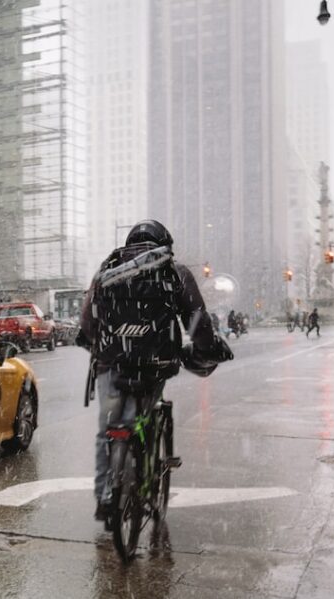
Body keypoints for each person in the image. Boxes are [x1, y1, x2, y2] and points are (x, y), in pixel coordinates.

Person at [77, 219, 232, 526]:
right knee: (143, 415)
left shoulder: (108, 269)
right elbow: (197, 321)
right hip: (154, 363)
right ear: (164, 243)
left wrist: (95, 342)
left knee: (110, 427)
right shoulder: (174, 271)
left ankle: (106, 497)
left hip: (111, 363)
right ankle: (146, 473)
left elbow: (88, 320)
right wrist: (206, 349)